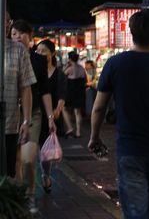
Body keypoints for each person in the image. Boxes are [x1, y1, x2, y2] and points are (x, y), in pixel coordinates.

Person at [88, 9, 149, 219]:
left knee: (135, 213)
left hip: (129, 149)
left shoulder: (115, 63)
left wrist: (94, 137)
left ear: (131, 32)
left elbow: (98, 107)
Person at [10, 20, 55, 211]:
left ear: (30, 36)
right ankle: (19, 196)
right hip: (11, 113)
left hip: (33, 113)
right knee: (15, 160)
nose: (17, 36)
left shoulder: (38, 59)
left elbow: (44, 90)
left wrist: (50, 117)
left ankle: (29, 197)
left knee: (29, 160)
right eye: (13, 33)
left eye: (21, 33)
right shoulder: (7, 55)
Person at [2, 12, 36, 180]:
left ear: (9, 24)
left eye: (6, 20)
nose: (5, 24)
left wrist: (26, 121)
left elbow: (26, 87)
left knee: (8, 173)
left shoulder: (18, 50)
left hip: (10, 123)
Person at [34, 39, 67, 195]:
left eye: (44, 51)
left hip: (50, 116)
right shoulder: (33, 70)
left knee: (43, 148)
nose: (40, 54)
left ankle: (45, 175)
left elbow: (62, 95)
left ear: (52, 54)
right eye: (38, 50)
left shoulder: (59, 74)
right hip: (34, 112)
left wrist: (57, 110)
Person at [63, 51, 86, 137]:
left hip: (70, 92)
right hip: (80, 92)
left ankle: (70, 127)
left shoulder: (69, 69)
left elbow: (62, 76)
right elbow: (85, 80)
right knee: (78, 112)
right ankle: (78, 132)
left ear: (69, 59)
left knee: (65, 109)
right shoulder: (82, 68)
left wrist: (66, 66)